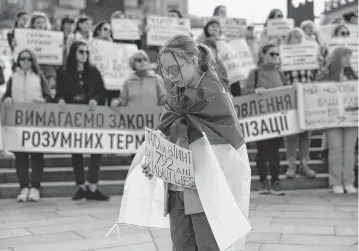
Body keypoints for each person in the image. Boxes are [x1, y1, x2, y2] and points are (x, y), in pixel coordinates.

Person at [138, 34, 251, 251]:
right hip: (177, 190)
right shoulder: (175, 96)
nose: (170, 76)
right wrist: (155, 159)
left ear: (193, 60)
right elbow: (166, 133)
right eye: (165, 70)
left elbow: (226, 151)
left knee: (209, 246)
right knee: (181, 247)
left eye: (175, 68)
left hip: (205, 191)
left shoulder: (215, 97)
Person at [55, 41, 109, 201]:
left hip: (91, 115)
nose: (84, 54)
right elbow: (58, 92)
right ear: (73, 53)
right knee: (76, 150)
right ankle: (80, 186)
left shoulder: (93, 71)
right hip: (73, 115)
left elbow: (101, 91)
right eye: (80, 51)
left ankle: (93, 186)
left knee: (96, 149)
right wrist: (60, 100)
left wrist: (95, 99)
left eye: (86, 52)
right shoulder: (64, 72)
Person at [3, 49, 52, 202]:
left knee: (37, 155)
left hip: (36, 121)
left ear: (33, 61)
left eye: (28, 59)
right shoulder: (13, 78)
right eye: (22, 59)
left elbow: (49, 97)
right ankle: (24, 187)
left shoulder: (38, 77)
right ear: (18, 61)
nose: (25, 62)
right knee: (21, 155)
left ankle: (36, 187)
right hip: (18, 122)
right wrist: (7, 98)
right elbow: (6, 95)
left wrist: (43, 101)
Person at [243, 43, 286, 195]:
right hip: (259, 118)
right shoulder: (254, 73)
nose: (275, 57)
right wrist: (255, 91)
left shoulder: (280, 73)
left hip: (277, 119)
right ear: (263, 55)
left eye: (277, 54)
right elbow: (244, 93)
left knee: (275, 150)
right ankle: (263, 181)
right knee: (262, 150)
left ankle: (275, 181)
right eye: (272, 54)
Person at [316, 46, 358, 194]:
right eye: (345, 57)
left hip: (351, 118)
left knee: (349, 150)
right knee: (335, 149)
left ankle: (348, 181)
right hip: (332, 117)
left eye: (349, 57)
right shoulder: (324, 75)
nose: (348, 60)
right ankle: (335, 182)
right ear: (338, 58)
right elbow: (316, 91)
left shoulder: (352, 74)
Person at [282, 28, 317, 179]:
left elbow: (315, 77)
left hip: (307, 98)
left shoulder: (310, 56)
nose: (298, 39)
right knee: (291, 134)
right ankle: (291, 165)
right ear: (289, 40)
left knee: (306, 135)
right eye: (295, 37)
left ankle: (304, 164)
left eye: (300, 37)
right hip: (290, 98)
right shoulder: (283, 57)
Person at [25, 12, 57, 95]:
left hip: (47, 70)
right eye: (38, 22)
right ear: (33, 24)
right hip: (31, 69)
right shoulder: (25, 36)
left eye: (43, 22)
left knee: (46, 93)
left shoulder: (53, 37)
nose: (41, 25)